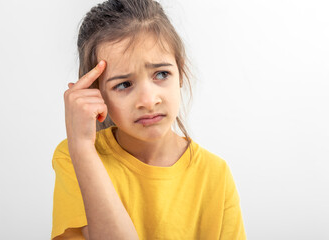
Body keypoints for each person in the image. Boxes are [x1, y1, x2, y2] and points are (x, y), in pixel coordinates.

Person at [51, 0, 246, 239]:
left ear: (180, 73)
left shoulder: (216, 174)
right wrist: (81, 147)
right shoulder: (74, 157)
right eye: (124, 84)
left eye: (161, 74)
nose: (148, 100)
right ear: (95, 93)